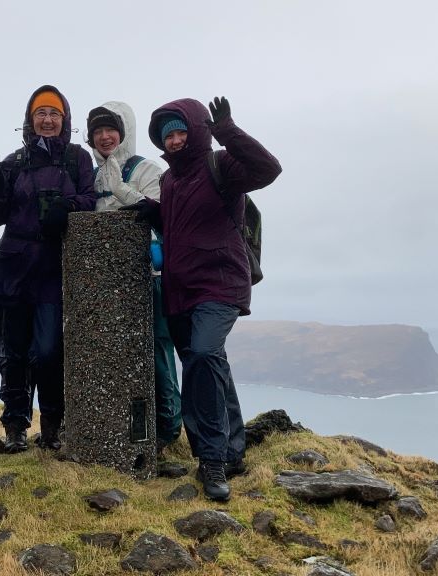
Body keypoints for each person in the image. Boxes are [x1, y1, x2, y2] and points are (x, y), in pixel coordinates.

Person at [125, 96, 281, 500]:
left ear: (196, 130)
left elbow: (268, 169)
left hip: (219, 283)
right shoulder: (169, 182)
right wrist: (155, 214)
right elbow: (180, 229)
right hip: (180, 290)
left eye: (180, 132)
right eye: (167, 136)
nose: (174, 141)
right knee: (209, 364)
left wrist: (227, 131)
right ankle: (232, 451)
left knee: (203, 356)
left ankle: (211, 460)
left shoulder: (222, 165)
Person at [0, 85, 95, 452]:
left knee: (49, 351)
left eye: (54, 113)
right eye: (41, 113)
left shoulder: (77, 158)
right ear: (30, 119)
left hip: (55, 269)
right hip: (13, 269)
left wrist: (67, 207)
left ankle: (52, 426)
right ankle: (15, 428)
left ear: (64, 119)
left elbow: (91, 198)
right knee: (13, 353)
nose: (48, 120)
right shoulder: (15, 161)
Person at [85, 101, 182, 453]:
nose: (104, 137)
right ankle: (113, 428)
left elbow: (158, 215)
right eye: (97, 131)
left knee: (157, 350)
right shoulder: (92, 174)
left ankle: (168, 429)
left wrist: (122, 190)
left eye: (111, 129)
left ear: (125, 132)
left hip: (148, 276)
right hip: (103, 283)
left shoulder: (147, 169)